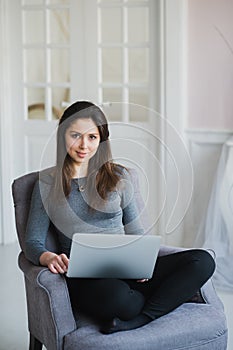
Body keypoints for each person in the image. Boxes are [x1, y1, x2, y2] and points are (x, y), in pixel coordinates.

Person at [25, 100, 215, 334]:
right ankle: (158, 302)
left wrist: (142, 265)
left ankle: (140, 319)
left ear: (102, 139)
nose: (84, 145)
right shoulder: (45, 183)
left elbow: (136, 233)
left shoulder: (118, 176)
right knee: (123, 300)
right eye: (75, 135)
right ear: (62, 135)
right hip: (86, 278)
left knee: (202, 260)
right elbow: (32, 241)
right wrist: (47, 257)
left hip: (126, 270)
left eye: (92, 137)